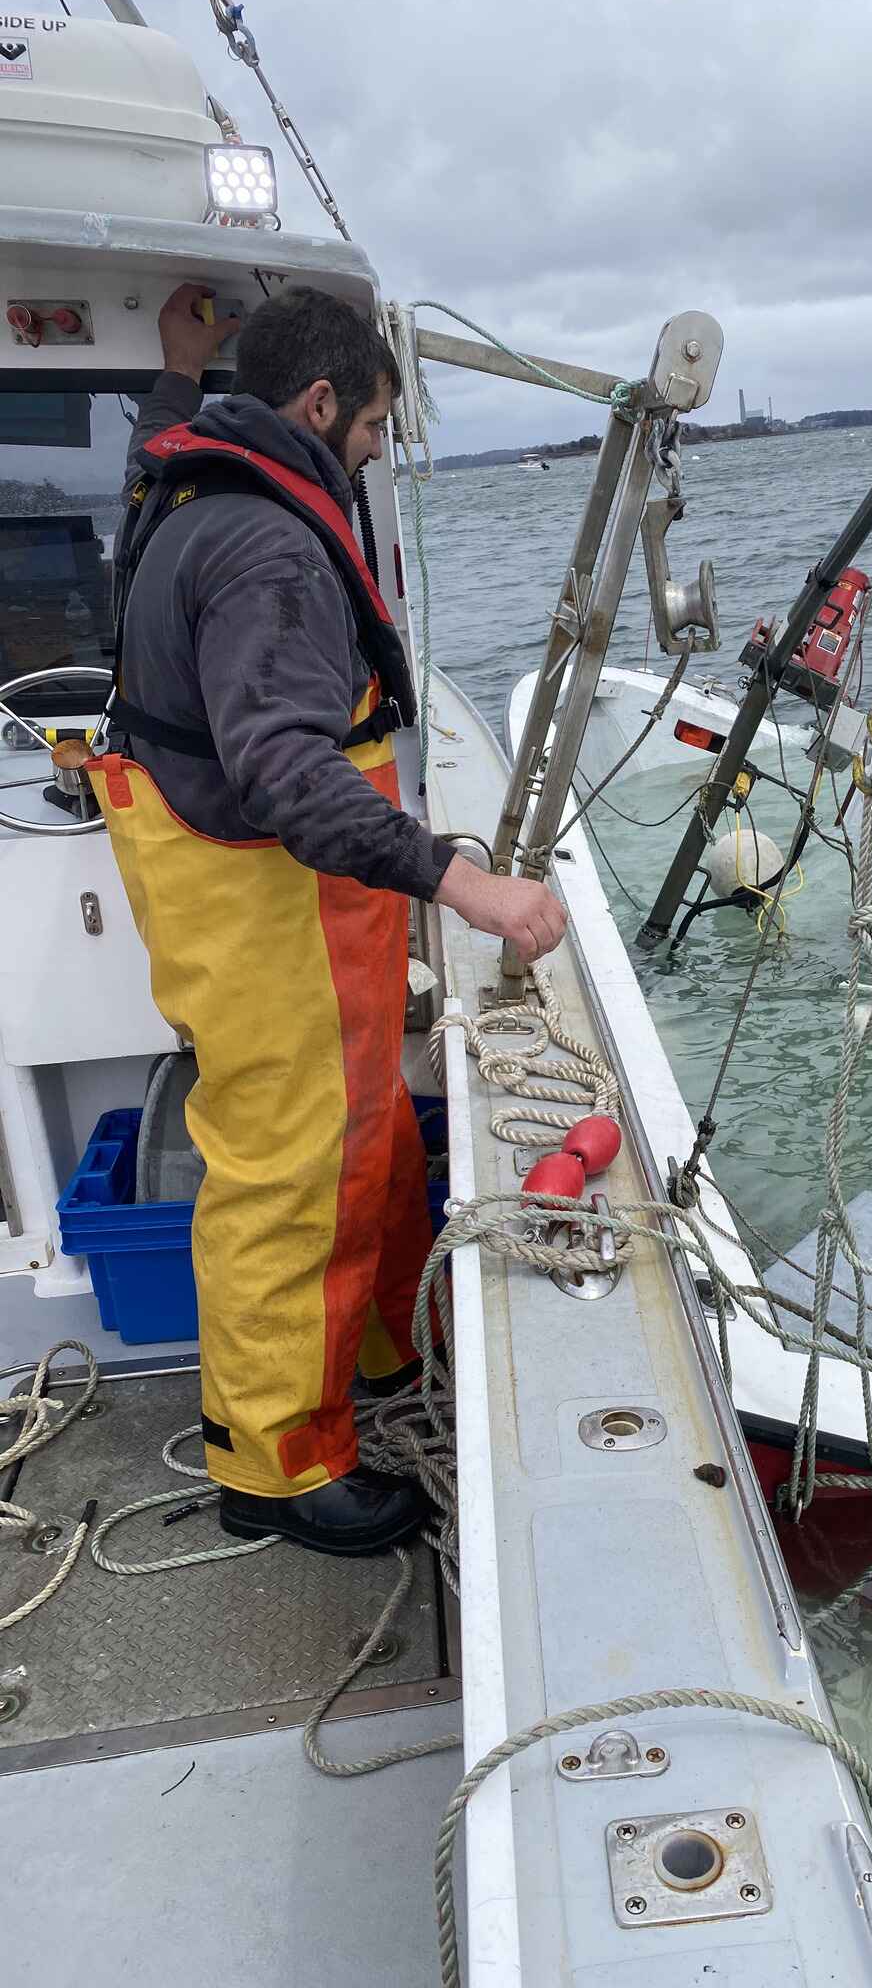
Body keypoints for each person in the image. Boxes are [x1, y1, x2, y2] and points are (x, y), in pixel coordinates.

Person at [88, 282, 566, 1555]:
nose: (367, 453)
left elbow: (149, 446)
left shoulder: (184, 478)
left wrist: (177, 365)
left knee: (354, 1141)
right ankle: (278, 1465)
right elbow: (289, 775)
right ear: (317, 403)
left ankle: (364, 1354)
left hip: (257, 899)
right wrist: (474, 887)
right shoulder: (270, 548)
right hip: (261, 899)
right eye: (368, 431)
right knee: (285, 1171)